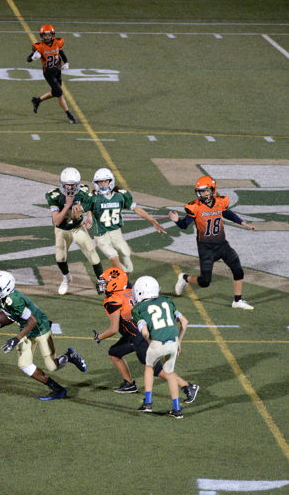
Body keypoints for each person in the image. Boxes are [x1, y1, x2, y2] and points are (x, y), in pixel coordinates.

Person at [94, 266, 199, 402]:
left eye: (106, 282)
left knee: (156, 369)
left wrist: (99, 337)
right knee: (114, 352)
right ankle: (129, 384)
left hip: (139, 336)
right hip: (138, 332)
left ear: (114, 283)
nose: (102, 285)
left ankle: (187, 386)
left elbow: (114, 329)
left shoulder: (112, 300)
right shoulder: (129, 290)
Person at [0, 270, 87, 400]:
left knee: (52, 366)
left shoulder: (14, 300)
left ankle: (69, 356)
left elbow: (32, 321)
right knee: (24, 364)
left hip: (40, 328)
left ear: (7, 288)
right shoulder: (1, 300)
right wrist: (4, 320)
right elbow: (16, 315)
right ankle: (57, 389)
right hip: (26, 329)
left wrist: (16, 339)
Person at [168, 174, 255, 310]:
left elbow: (227, 213)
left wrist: (242, 223)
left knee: (238, 270)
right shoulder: (195, 207)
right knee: (205, 282)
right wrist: (177, 221)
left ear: (212, 190)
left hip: (222, 245)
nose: (204, 193)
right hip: (206, 248)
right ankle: (185, 278)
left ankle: (237, 300)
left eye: (206, 190)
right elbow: (184, 225)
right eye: (201, 191)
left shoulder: (220, 202)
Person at [89, 168, 167, 275]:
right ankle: (122, 281)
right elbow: (85, 208)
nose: (103, 184)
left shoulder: (120, 195)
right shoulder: (92, 197)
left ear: (110, 181)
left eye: (105, 181)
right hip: (101, 233)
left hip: (116, 231)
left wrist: (153, 221)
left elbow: (136, 208)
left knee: (127, 258)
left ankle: (121, 278)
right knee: (113, 257)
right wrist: (88, 217)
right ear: (96, 183)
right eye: (100, 182)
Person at [131, 275, 188, 418]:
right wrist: (179, 342)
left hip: (157, 343)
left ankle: (148, 402)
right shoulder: (167, 301)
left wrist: (150, 341)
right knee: (170, 374)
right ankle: (177, 409)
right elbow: (184, 322)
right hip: (173, 342)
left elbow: (145, 332)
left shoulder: (138, 309)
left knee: (149, 367)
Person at [45, 167, 104, 295]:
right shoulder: (54, 195)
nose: (71, 188)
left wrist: (89, 217)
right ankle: (67, 278)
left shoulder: (83, 191)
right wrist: (67, 205)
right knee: (60, 258)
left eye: (73, 185)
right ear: (62, 184)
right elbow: (57, 221)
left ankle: (102, 281)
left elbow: (89, 203)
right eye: (68, 185)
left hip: (78, 228)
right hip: (62, 230)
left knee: (92, 253)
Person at [27, 23, 77, 124]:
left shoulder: (57, 42)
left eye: (49, 35)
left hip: (58, 71)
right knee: (59, 93)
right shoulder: (39, 46)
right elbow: (28, 59)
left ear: (52, 35)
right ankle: (69, 115)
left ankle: (37, 100)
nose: (47, 37)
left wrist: (66, 62)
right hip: (48, 73)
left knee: (55, 92)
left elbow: (61, 52)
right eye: (45, 35)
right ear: (42, 36)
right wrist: (33, 57)